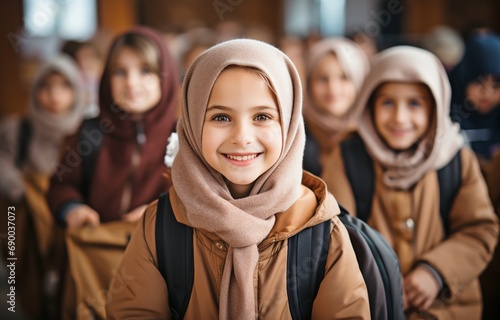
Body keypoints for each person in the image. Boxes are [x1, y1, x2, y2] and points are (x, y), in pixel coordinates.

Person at [106, 39, 370, 319]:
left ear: (290, 123)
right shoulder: (160, 225)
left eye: (262, 116)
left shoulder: (321, 229)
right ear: (193, 123)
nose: (242, 137)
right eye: (220, 117)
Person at [321, 46, 498, 319]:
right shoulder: (347, 157)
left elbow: (479, 230)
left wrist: (436, 272)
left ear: (436, 106)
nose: (400, 118)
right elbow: (335, 236)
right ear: (369, 103)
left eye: (415, 103)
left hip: (448, 309)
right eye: (387, 103)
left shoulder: (456, 158)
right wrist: (382, 283)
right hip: (373, 307)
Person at [46, 26, 179, 318]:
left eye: (145, 70)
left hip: (157, 265)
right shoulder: (90, 131)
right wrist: (72, 208)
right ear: (106, 78)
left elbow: (196, 196)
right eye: (120, 72)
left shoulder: (184, 134)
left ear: (166, 75)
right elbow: (60, 183)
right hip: (95, 258)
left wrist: (158, 212)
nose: (131, 82)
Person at [0, 54, 86, 318]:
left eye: (64, 86)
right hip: (23, 221)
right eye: (46, 86)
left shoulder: (86, 130)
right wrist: (22, 188)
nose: (54, 95)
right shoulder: (18, 129)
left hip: (70, 220)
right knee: (22, 281)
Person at [303, 37, 369, 176]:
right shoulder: (294, 135)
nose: (333, 88)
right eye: (322, 78)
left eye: (344, 77)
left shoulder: (373, 137)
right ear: (309, 83)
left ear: (360, 81)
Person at [449, 33, 500, 167]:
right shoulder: (445, 116)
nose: (487, 93)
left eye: (497, 84)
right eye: (479, 82)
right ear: (463, 78)